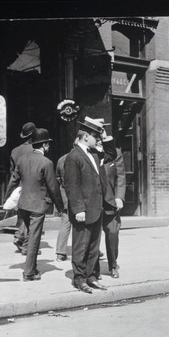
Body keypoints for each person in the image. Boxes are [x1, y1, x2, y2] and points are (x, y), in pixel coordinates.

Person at [5, 128, 64, 281]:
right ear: (44, 145)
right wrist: (61, 207)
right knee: (34, 239)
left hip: (23, 204)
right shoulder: (47, 162)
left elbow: (13, 181)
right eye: (48, 144)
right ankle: (29, 272)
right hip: (38, 206)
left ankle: (33, 267)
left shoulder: (22, 159)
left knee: (30, 237)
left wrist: (7, 199)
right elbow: (53, 187)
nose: (49, 147)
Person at [64, 118, 114, 293]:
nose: (98, 139)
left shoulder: (94, 154)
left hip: (96, 208)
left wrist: (105, 136)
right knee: (81, 246)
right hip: (83, 211)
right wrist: (78, 209)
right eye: (95, 136)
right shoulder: (74, 156)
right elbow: (72, 185)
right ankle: (79, 279)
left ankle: (91, 276)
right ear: (85, 136)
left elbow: (111, 154)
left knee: (94, 246)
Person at [94, 141, 126, 279]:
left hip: (111, 202)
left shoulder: (115, 152)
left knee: (113, 233)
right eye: (95, 135)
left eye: (100, 135)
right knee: (94, 238)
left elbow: (121, 177)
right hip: (94, 202)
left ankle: (113, 265)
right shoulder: (88, 152)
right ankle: (94, 269)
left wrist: (119, 197)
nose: (98, 139)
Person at [9, 122, 36, 255]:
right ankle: (23, 241)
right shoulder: (35, 149)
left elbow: (12, 171)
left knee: (22, 213)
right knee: (31, 215)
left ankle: (19, 237)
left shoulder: (15, 151)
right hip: (32, 186)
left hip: (19, 185)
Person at [54, 148, 72, 262]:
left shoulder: (61, 159)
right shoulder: (80, 158)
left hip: (65, 195)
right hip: (79, 197)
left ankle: (60, 253)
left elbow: (58, 177)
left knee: (65, 222)